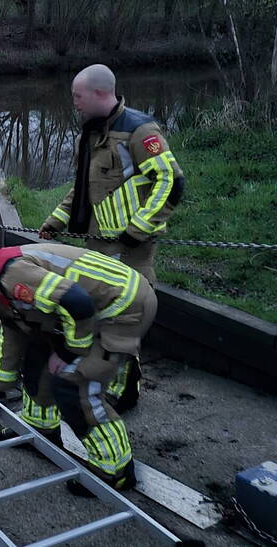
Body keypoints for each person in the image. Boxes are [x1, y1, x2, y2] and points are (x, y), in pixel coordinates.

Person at [0, 241, 157, 493]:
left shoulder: (14, 275)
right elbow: (13, 339)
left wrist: (68, 353)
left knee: (75, 386)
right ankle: (41, 429)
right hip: (91, 309)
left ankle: (116, 471)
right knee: (36, 357)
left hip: (122, 307)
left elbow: (78, 303)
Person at [38, 63, 185, 412]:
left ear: (100, 93)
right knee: (103, 315)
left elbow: (171, 182)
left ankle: (126, 391)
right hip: (99, 243)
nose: (73, 103)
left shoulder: (139, 131)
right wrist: (55, 223)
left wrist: (139, 230)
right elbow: (82, 189)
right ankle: (107, 383)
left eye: (78, 96)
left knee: (125, 319)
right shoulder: (90, 133)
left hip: (130, 248)